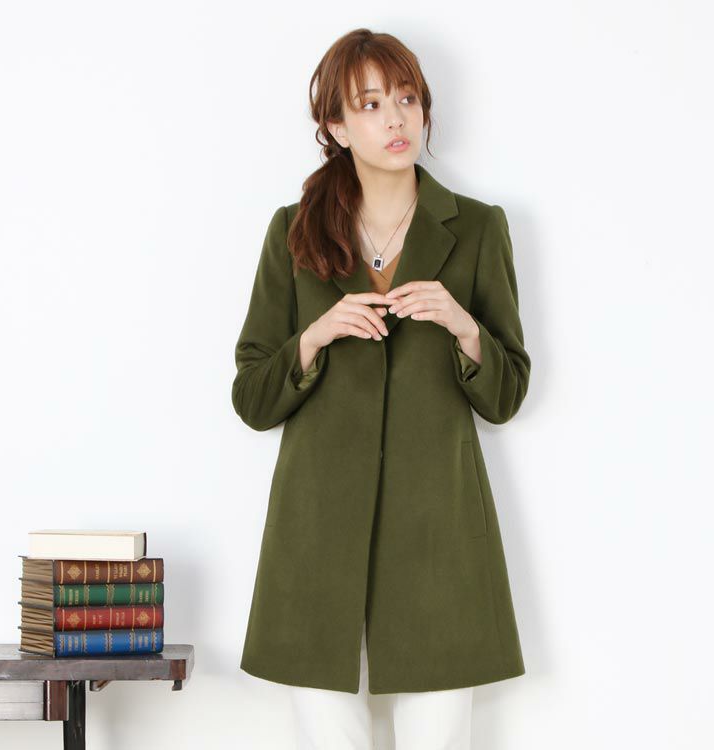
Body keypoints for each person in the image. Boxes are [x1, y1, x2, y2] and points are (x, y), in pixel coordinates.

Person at [232, 27, 531, 750]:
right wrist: (315, 336)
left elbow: (506, 395)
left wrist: (463, 325)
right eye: (369, 104)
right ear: (337, 127)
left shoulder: (478, 228)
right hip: (315, 537)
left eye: (406, 99)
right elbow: (252, 398)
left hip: (439, 536)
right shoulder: (293, 232)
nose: (395, 118)